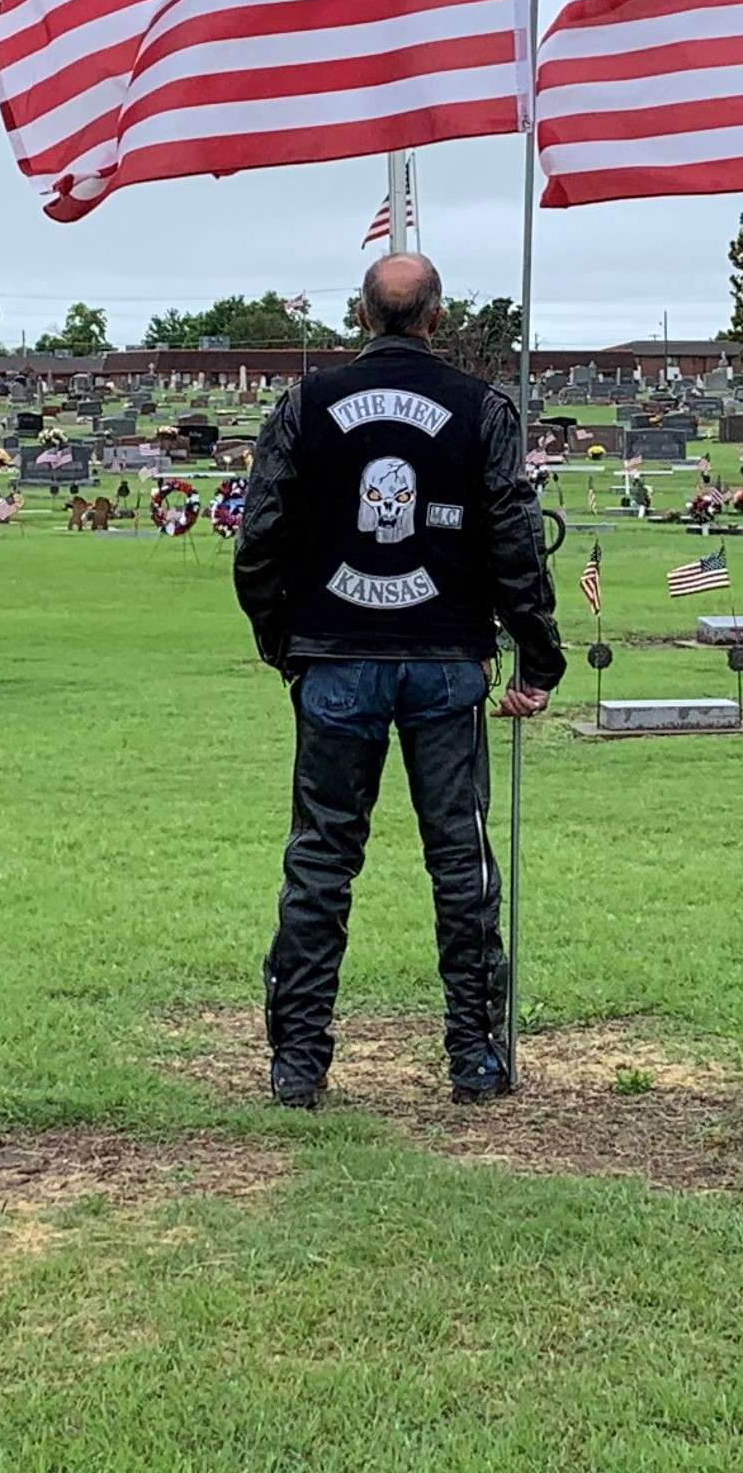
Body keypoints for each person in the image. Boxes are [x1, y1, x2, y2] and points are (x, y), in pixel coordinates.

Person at [235, 252, 566, 1107]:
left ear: (361, 315)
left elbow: (260, 534)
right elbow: (512, 537)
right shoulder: (481, 407)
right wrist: (537, 650)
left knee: (320, 861)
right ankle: (474, 1056)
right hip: (443, 660)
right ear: (436, 317)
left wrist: (287, 643)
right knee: (460, 861)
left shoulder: (304, 404)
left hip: (336, 659)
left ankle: (297, 1063)